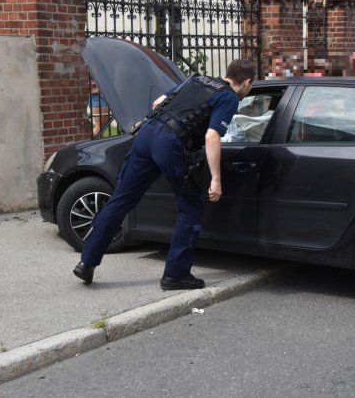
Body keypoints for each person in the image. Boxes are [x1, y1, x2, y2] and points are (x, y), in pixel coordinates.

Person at [73, 59, 256, 289]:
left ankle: (87, 262)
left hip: (147, 133)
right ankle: (176, 275)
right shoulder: (228, 97)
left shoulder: (197, 79)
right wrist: (216, 179)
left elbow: (158, 102)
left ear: (228, 74)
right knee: (190, 206)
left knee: (121, 199)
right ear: (247, 82)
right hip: (170, 142)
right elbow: (212, 136)